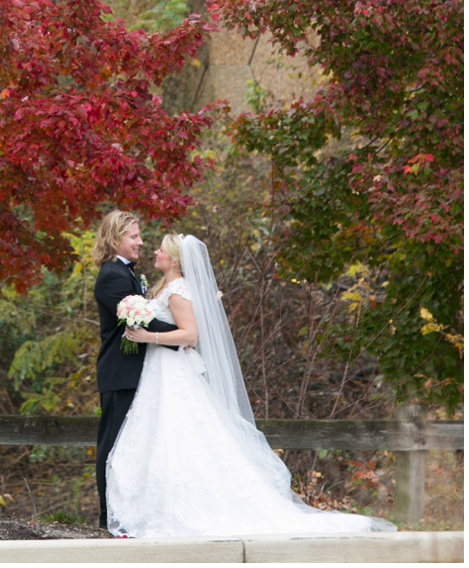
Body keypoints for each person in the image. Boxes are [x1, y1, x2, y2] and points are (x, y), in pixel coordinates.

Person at [106, 231, 395, 539]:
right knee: (164, 435)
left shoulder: (178, 289)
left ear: (174, 260)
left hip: (172, 371)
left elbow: (190, 335)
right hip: (160, 371)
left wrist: (149, 337)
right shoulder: (167, 286)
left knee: (177, 433)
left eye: (160, 250)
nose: (155, 252)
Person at [92, 210, 179, 531]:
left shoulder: (128, 274)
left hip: (138, 372)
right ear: (115, 238)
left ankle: (129, 513)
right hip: (120, 372)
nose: (141, 242)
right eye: (134, 237)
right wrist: (182, 337)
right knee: (112, 445)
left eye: (140, 236)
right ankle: (107, 517)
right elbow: (141, 321)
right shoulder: (111, 276)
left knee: (133, 445)